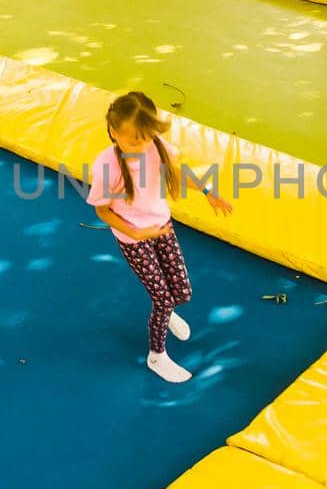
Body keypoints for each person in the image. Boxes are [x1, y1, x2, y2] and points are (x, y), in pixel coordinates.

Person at [87, 91, 231, 383]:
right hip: (134, 238)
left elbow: (178, 173)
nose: (141, 147)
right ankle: (157, 356)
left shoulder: (156, 146)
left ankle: (165, 312)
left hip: (162, 226)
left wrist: (207, 193)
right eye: (133, 141)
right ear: (114, 132)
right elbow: (103, 212)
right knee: (163, 298)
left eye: (146, 138)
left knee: (182, 293)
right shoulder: (107, 166)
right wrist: (137, 232)